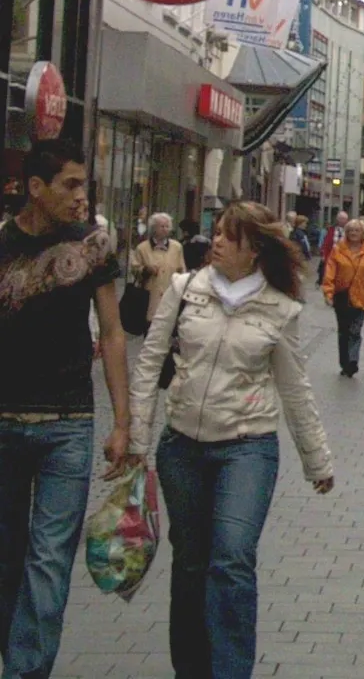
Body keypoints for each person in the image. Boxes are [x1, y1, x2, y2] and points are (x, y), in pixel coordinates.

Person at [130, 201, 333, 679]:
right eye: (216, 232)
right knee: (191, 564)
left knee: (233, 558)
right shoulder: (184, 291)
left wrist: (316, 460)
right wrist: (137, 440)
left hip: (247, 447)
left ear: (254, 249)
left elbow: (295, 388)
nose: (215, 240)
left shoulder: (280, 309)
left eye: (228, 235)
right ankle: (193, 669)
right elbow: (148, 363)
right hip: (182, 446)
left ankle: (231, 671)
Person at [0, 143, 131, 679]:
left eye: (85, 186)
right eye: (71, 185)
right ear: (36, 188)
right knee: (8, 559)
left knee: (50, 557)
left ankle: (26, 672)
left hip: (70, 425)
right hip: (4, 419)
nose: (82, 197)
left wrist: (123, 423)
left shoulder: (93, 247)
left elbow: (114, 332)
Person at [322, 217, 364, 377]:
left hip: (361, 296)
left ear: (363, 233)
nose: (353, 233)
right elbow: (330, 272)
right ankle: (344, 362)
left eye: (357, 230)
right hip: (342, 296)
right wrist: (328, 292)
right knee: (344, 331)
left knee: (355, 330)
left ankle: (353, 361)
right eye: (350, 231)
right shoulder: (338, 250)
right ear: (346, 233)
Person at [130, 211, 186, 326]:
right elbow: (134, 269)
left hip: (170, 298)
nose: (165, 229)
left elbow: (182, 270)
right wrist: (146, 270)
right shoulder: (142, 248)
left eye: (167, 226)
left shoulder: (177, 247)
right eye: (162, 226)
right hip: (149, 299)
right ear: (153, 228)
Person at [316, 209, 348, 286]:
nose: (343, 221)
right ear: (338, 219)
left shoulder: (348, 230)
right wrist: (323, 254)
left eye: (345, 219)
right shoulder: (331, 229)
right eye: (341, 219)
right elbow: (326, 242)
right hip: (331, 255)